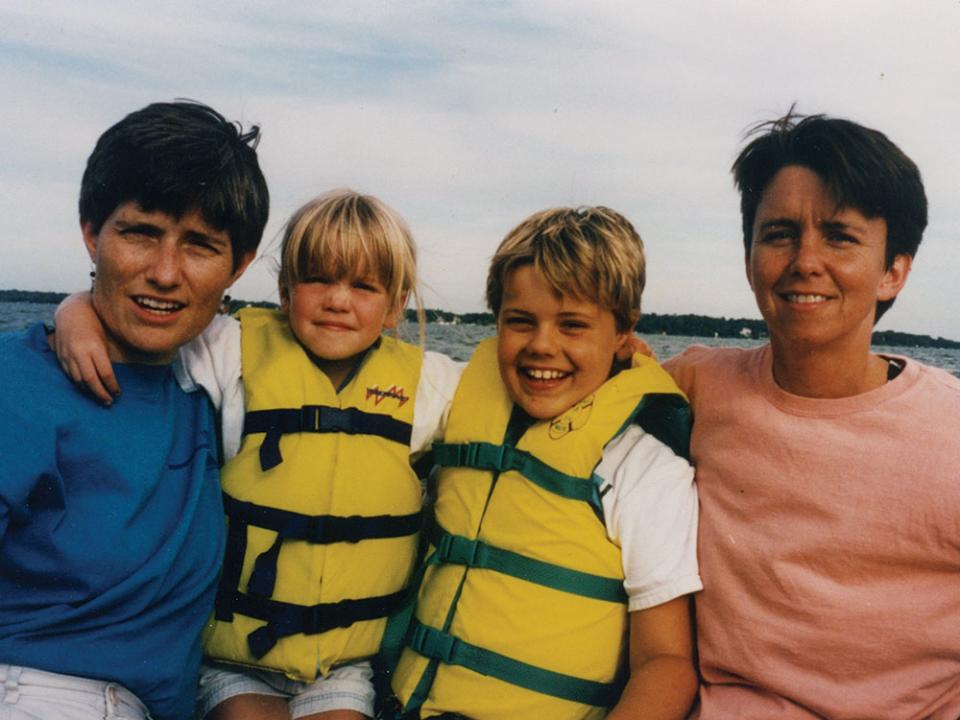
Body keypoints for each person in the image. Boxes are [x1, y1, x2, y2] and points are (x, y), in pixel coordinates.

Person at [55, 189, 462, 720]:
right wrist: (74, 313)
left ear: (395, 307)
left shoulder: (433, 383)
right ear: (285, 290)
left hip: (343, 663)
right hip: (232, 656)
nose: (338, 300)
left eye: (363, 286)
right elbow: (146, 319)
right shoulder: (230, 348)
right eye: (318, 278)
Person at [664, 111, 960, 718]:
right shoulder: (696, 384)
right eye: (778, 233)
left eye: (839, 236)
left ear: (894, 270)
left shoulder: (950, 430)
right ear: (749, 259)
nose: (805, 260)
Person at [0, 100, 268, 720]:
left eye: (200, 245)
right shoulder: (19, 382)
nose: (165, 273)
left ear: (240, 265)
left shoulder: (220, 380)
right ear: (92, 231)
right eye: (141, 232)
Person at [390, 207, 702, 719]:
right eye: (520, 322)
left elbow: (666, 663)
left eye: (573, 325)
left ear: (623, 334)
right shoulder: (452, 403)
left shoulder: (643, 469)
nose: (542, 345)